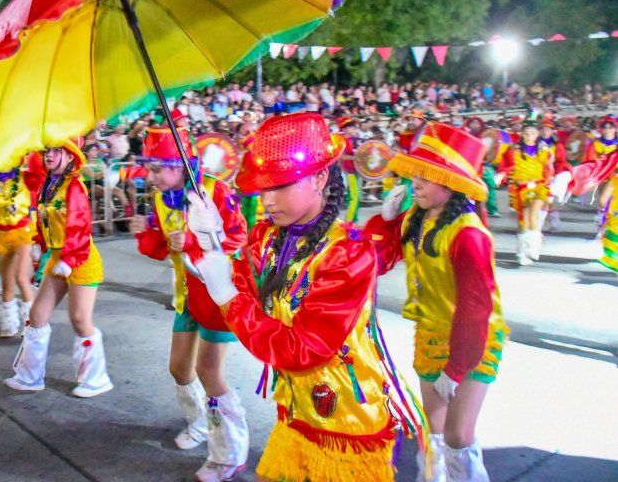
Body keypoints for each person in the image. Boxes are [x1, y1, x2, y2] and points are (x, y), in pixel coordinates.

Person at [188, 113, 422, 482]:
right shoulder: (266, 236)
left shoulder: (347, 254)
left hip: (345, 422)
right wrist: (209, 242)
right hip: (295, 411)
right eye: (263, 188)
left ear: (319, 177)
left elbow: (301, 348)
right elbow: (228, 303)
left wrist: (229, 295)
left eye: (280, 186)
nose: (267, 199)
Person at [366, 122, 507, 481]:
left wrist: (456, 368)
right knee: (435, 433)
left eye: (427, 176)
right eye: (416, 174)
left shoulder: (469, 235)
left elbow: (475, 309)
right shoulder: (415, 217)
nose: (416, 183)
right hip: (429, 336)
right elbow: (376, 261)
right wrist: (384, 223)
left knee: (459, 435)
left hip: (474, 343)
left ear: (452, 184)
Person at [129, 125, 249, 482]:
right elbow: (160, 247)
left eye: (156, 168)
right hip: (186, 294)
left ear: (179, 164)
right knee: (180, 369)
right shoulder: (159, 199)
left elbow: (237, 237)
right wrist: (145, 233)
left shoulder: (214, 190)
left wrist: (195, 240)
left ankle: (229, 451)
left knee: (209, 371)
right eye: (148, 168)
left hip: (218, 295)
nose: (150, 177)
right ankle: (200, 423)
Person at [4, 137, 113, 398]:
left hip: (80, 259)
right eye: (47, 151)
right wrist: (38, 242)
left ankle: (96, 380)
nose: (49, 156)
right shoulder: (49, 185)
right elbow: (45, 220)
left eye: (56, 151)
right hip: (57, 259)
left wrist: (69, 259)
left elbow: (80, 226)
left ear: (70, 156)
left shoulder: (74, 186)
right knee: (37, 316)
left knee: (79, 319)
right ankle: (30, 377)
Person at [0, 153, 46, 337]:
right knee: (7, 283)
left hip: (22, 232)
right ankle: (9, 322)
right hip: (0, 233)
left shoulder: (24, 176)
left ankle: (33, 323)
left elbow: (40, 175)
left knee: (21, 277)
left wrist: (35, 149)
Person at [496, 118, 554, 266]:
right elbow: (506, 166)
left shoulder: (543, 150)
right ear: (522, 134)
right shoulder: (513, 150)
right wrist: (501, 175)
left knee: (534, 215)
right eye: (526, 133)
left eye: (532, 133)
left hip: (539, 187)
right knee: (523, 221)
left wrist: (550, 190)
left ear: (537, 134)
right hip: (520, 189)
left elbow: (548, 170)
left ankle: (534, 247)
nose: (529, 136)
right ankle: (522, 251)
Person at [337, 117, 362, 222]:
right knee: (354, 197)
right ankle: (348, 222)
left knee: (357, 197)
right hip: (349, 171)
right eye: (351, 127)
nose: (354, 129)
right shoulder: (343, 140)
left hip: (354, 170)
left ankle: (354, 220)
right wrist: (356, 157)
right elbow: (342, 156)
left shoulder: (350, 140)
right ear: (345, 129)